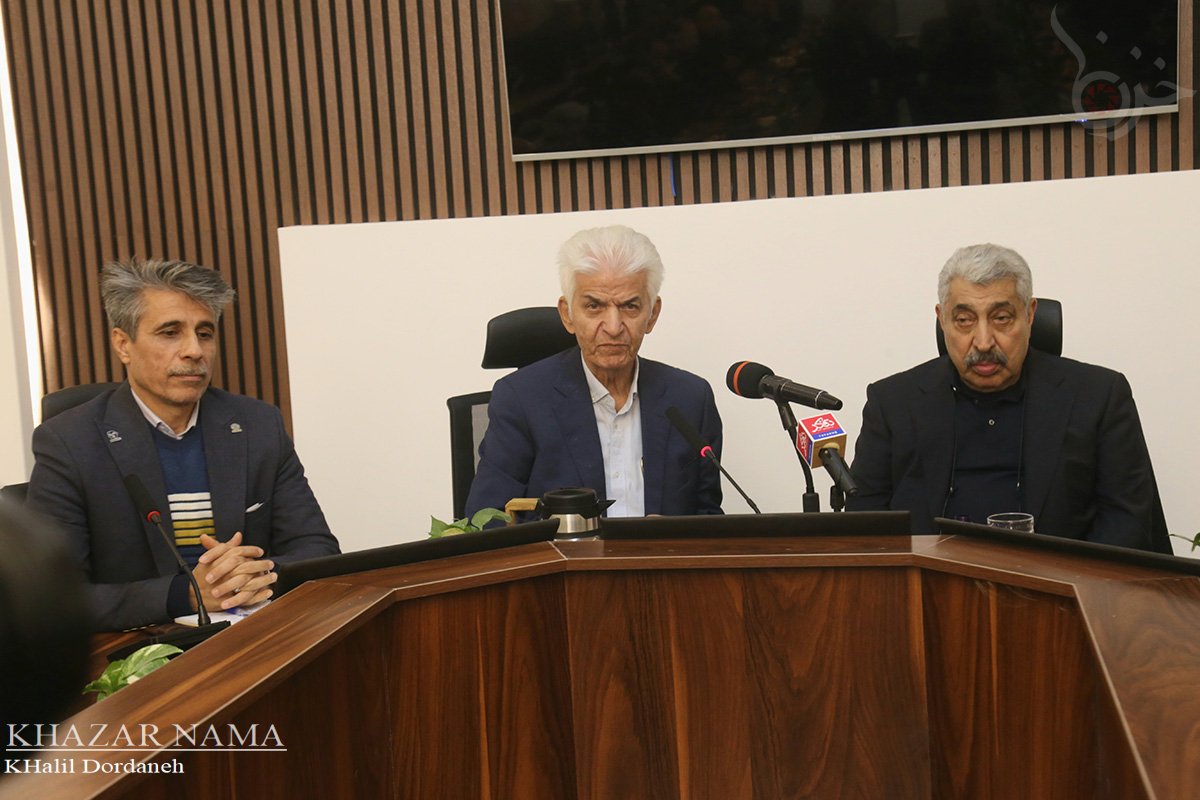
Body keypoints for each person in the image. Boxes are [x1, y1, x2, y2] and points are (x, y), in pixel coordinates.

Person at [27, 258, 340, 630]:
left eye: (205, 333)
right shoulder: (69, 442)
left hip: (252, 635)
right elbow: (53, 597)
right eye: (170, 332)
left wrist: (258, 574)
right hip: (142, 647)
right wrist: (187, 594)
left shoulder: (258, 425)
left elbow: (319, 551)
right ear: (123, 344)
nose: (194, 350)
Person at [847, 243, 1170, 553]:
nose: (984, 341)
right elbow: (866, 523)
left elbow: (1127, 523)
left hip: (1059, 585)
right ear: (942, 319)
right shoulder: (892, 403)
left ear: (1030, 315)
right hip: (928, 586)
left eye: (1001, 318)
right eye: (964, 320)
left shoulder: (1098, 396)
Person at [464, 224, 723, 519]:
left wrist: (670, 538)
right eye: (594, 306)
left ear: (652, 314)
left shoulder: (690, 399)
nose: (613, 327)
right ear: (567, 314)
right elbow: (488, 517)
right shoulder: (521, 399)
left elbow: (708, 516)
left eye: (630, 306)